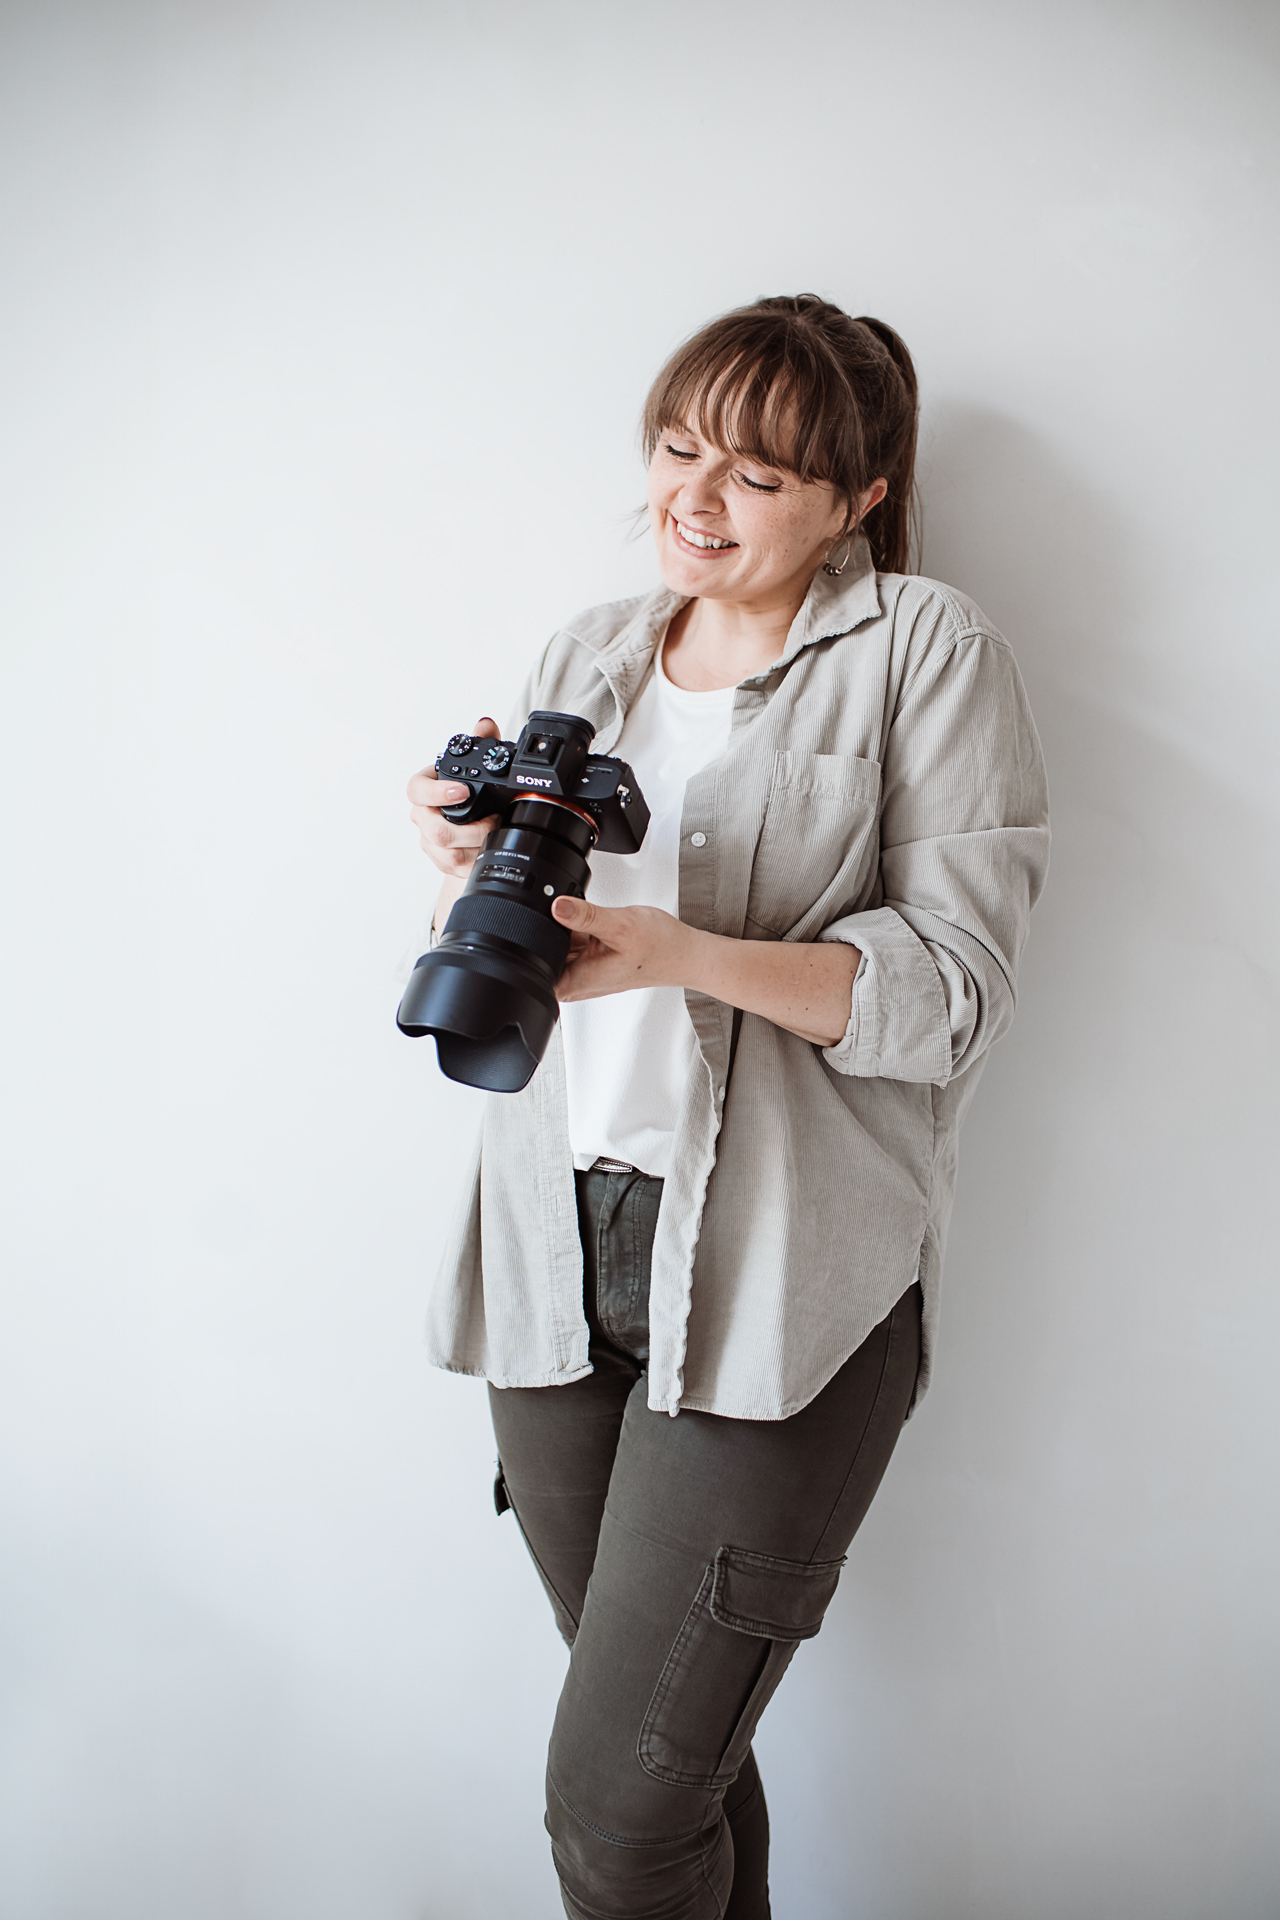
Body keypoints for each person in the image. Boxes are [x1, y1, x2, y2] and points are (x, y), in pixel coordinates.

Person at [407, 295, 1049, 1920]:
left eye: (757, 476)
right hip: (556, 1253)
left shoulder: (925, 649)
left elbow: (951, 993)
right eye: (679, 449)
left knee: (615, 1813)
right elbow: (527, 947)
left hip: (787, 1277)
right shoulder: (589, 652)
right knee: (677, 1780)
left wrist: (687, 956)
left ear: (859, 494)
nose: (692, 499)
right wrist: (461, 872)